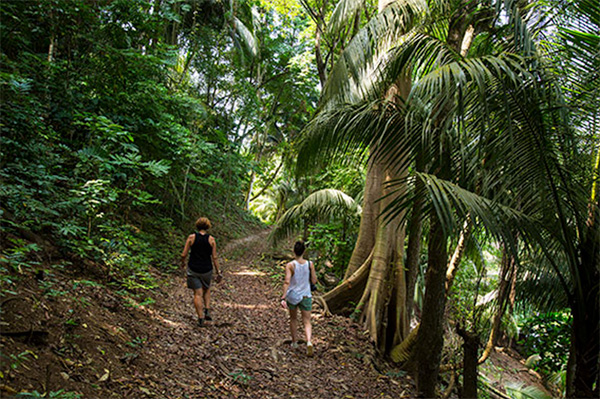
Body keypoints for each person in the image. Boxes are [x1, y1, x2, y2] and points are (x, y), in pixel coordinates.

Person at [181, 217, 222, 326]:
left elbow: (184, 254)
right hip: (207, 269)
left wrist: (183, 263)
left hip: (193, 268)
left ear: (197, 226)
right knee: (207, 288)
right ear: (208, 227)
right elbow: (214, 257)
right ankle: (207, 309)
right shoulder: (212, 240)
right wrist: (218, 271)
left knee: (197, 293)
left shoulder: (191, 237)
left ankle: (200, 318)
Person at [280, 241, 317, 356]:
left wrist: (283, 296)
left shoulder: (290, 265)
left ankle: (295, 342)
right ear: (303, 251)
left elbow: (287, 281)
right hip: (306, 295)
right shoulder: (310, 264)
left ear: (294, 251)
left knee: (293, 319)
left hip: (293, 296)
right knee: (307, 321)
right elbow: (314, 280)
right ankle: (309, 342)